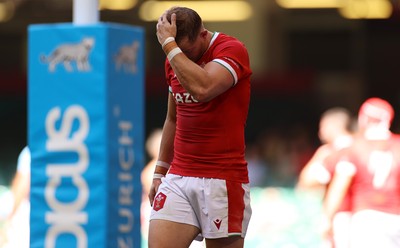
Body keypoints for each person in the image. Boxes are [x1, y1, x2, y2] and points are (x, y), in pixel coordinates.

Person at [148, 6, 252, 248]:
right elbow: (173, 118)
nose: (180, 57)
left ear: (203, 34)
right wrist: (160, 170)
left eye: (186, 50)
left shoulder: (232, 50)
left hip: (221, 179)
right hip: (179, 176)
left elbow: (204, 89)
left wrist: (171, 49)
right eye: (176, 50)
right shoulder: (173, 56)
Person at [322, 97, 400, 248]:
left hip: (366, 218)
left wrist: (327, 219)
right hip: (396, 217)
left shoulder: (355, 147)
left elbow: (339, 187)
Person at [296, 107, 355, 248]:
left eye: (322, 126)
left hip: (343, 215)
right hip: (369, 216)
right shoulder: (362, 145)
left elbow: (306, 183)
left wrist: (320, 155)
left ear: (332, 126)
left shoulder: (333, 152)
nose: (320, 132)